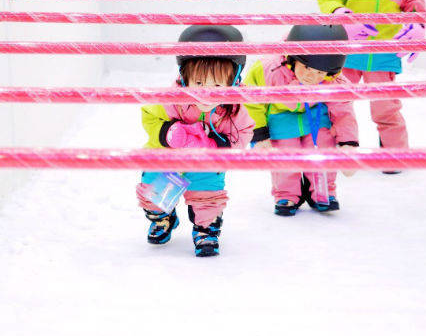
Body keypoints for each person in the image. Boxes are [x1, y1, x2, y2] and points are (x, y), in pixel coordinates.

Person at [317, 0, 426, 173]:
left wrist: (416, 23)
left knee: (386, 106)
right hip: (350, 50)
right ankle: (337, 150)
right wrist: (341, 17)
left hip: (384, 49)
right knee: (338, 101)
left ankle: (394, 155)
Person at [135, 25, 253, 257]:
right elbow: (149, 115)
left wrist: (221, 146)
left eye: (217, 85)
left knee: (207, 200)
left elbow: (245, 132)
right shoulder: (171, 100)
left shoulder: (234, 110)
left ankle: (206, 230)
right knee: (153, 197)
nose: (206, 93)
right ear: (184, 79)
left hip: (207, 165)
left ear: (234, 80)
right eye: (199, 84)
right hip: (168, 159)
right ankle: (163, 219)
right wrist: (167, 132)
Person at [245, 25, 356, 217]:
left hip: (316, 114)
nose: (311, 76)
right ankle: (287, 194)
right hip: (281, 117)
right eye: (306, 67)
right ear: (292, 58)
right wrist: (259, 134)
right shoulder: (269, 70)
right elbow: (253, 101)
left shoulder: (334, 80)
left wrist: (348, 143)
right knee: (285, 154)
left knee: (323, 147)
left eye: (320, 73)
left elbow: (343, 110)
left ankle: (323, 191)